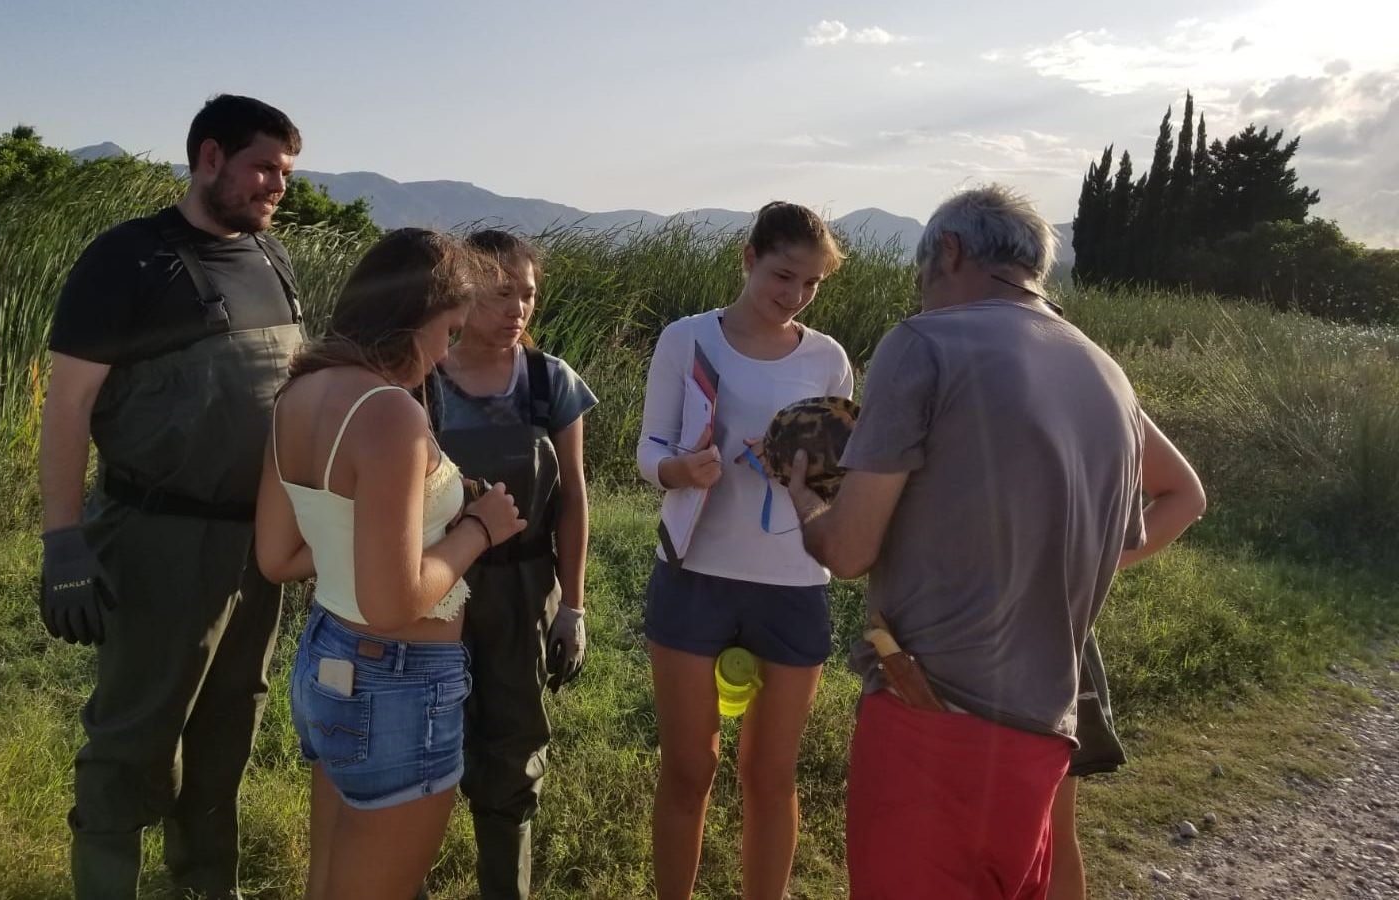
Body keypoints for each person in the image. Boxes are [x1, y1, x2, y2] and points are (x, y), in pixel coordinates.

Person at [786, 184, 1151, 899]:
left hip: (931, 720)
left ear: (949, 252)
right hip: (1046, 733)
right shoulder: (1108, 375)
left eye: (924, 279)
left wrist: (807, 508)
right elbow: (1130, 530)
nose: (922, 298)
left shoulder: (923, 342)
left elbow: (850, 550)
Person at [38, 94, 306, 899]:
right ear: (210, 157)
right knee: (132, 738)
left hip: (259, 545)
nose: (277, 187)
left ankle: (203, 887)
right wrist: (64, 542)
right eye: (264, 167)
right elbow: (68, 407)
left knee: (230, 729)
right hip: (158, 539)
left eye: (286, 174)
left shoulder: (272, 259)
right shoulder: (127, 259)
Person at [254, 227, 527, 900]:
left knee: (328, 883)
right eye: (448, 331)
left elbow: (278, 555)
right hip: (399, 681)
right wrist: (476, 530)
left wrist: (383, 536)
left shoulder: (300, 393)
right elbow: (394, 601)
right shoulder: (389, 415)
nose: (442, 355)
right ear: (412, 322)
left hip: (328, 660)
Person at [636, 201, 854, 900]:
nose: (794, 296)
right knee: (688, 769)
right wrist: (678, 470)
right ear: (748, 258)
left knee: (770, 775)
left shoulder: (828, 359)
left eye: (812, 284)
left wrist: (799, 475)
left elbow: (835, 474)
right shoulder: (685, 339)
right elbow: (650, 448)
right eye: (783, 275)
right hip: (693, 571)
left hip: (792, 580)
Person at [423, 229, 597, 899]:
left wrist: (573, 608)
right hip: (438, 586)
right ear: (460, 296)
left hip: (525, 589)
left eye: (526, 294)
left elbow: (576, 500)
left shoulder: (551, 381)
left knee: (514, 750)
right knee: (428, 741)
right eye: (500, 295)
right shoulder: (422, 381)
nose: (516, 310)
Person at [1049, 424, 1206, 900]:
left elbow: (1185, 495)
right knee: (1044, 834)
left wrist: (1091, 563)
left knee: (1047, 832)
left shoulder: (1091, 374)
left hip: (1040, 642)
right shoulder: (1091, 372)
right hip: (1037, 640)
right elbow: (1186, 496)